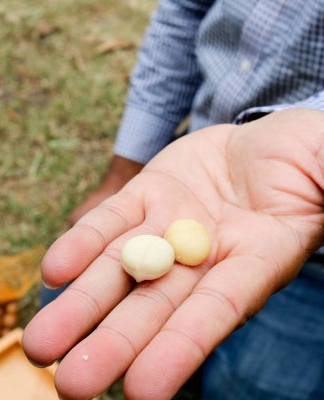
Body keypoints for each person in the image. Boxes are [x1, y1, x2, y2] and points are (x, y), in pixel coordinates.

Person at [23, 1, 324, 399]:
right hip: (198, 171)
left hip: (314, 251)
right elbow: (182, 12)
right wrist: (126, 167)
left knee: (250, 385)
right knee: (70, 301)